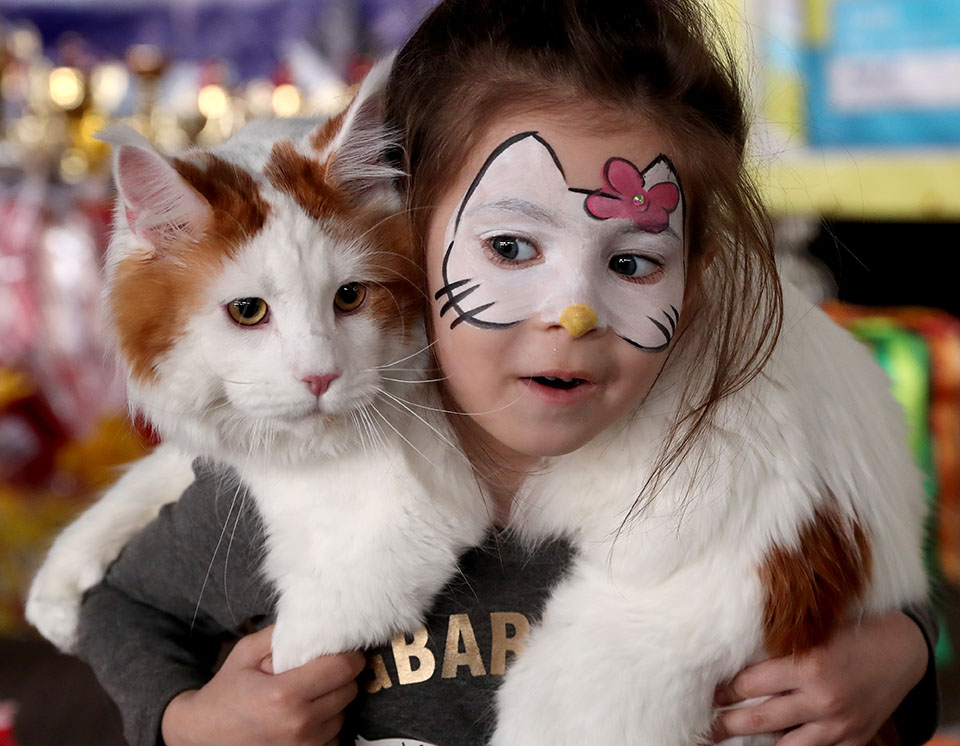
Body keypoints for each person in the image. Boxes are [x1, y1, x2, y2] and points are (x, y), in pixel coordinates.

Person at [77, 1, 939, 745]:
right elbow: (122, 605)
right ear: (407, 232)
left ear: (698, 273)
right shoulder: (315, 466)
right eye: (510, 247)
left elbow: (875, 609)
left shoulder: (731, 494)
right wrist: (183, 721)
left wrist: (906, 652)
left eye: (635, 264)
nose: (573, 316)